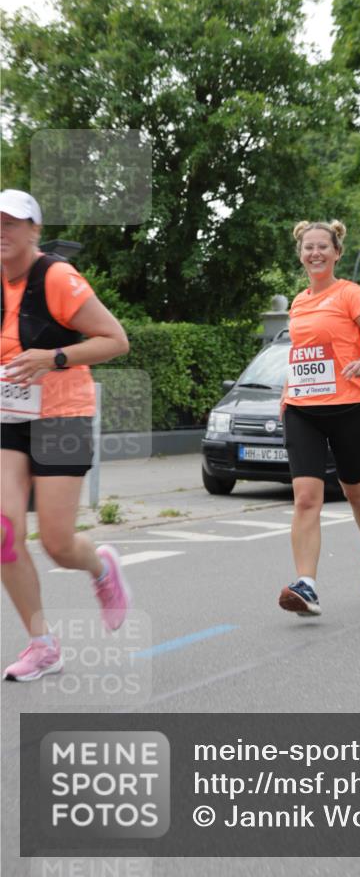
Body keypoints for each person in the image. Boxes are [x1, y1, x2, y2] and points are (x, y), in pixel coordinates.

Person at [1, 189, 131, 681]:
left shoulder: (56, 277)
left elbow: (116, 340)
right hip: (9, 417)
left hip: (62, 417)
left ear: (34, 230)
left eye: (11, 223)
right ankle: (43, 645)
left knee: (57, 542)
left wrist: (53, 358)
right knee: (4, 533)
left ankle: (101, 568)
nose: (1, 232)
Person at [278, 220, 360, 616]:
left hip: (349, 408)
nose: (315, 253)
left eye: (323, 247)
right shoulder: (298, 302)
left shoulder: (351, 294)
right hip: (303, 410)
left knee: (356, 493)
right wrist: (286, 392)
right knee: (307, 498)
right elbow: (301, 353)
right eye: (308, 247)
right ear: (300, 254)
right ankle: (306, 585)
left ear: (337, 252)